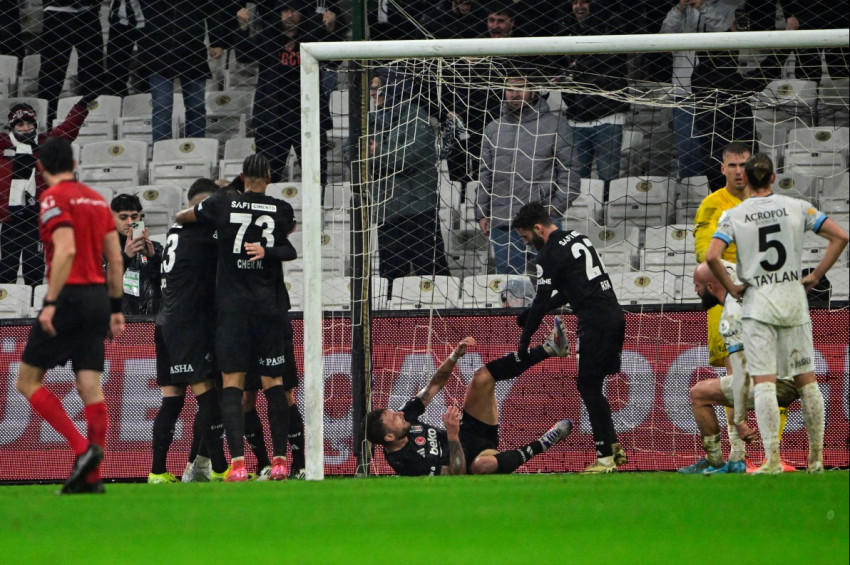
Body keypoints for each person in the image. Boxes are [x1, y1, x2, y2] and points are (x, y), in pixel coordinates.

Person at [707, 153, 849, 474]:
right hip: (793, 300)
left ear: (746, 179)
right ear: (773, 178)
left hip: (758, 304)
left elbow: (712, 256)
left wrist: (731, 287)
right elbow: (841, 236)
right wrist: (815, 276)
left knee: (765, 382)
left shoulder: (733, 214)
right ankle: (816, 460)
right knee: (807, 381)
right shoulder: (798, 207)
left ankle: (772, 459)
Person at [176, 154, 297, 482]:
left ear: (241, 177)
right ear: (270, 177)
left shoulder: (222, 204)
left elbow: (183, 216)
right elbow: (288, 243)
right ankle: (280, 461)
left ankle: (239, 465)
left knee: (232, 382)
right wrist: (267, 251)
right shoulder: (282, 209)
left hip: (232, 308)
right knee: (273, 381)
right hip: (269, 307)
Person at [14, 137, 125, 494]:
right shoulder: (96, 199)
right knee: (90, 386)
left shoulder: (52, 198)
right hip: (98, 300)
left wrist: (50, 302)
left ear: (41, 168)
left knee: (27, 381)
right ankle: (92, 478)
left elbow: (65, 250)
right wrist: (116, 309)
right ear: (74, 164)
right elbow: (116, 259)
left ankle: (81, 449)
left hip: (68, 297)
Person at [512, 201, 627, 473]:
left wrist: (524, 341)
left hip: (595, 321)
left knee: (588, 385)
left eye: (526, 237)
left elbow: (542, 299)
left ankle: (605, 458)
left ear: (538, 229)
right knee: (592, 384)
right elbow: (567, 292)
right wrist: (531, 313)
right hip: (613, 316)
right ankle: (613, 449)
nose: (527, 244)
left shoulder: (549, 254)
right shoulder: (577, 237)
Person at [365, 328, 572, 476]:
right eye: (394, 418)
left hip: (470, 429)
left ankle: (549, 349)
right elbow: (457, 473)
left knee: (482, 377)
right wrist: (452, 435)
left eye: (394, 412)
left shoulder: (405, 418)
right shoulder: (406, 462)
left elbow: (434, 385)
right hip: (472, 457)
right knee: (482, 466)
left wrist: (454, 356)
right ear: (390, 436)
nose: (400, 414)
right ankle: (544, 443)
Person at [679, 262, 801, 474]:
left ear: (710, 286)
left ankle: (714, 461)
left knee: (698, 393)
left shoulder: (731, 314)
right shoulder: (749, 298)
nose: (695, 290)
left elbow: (740, 374)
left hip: (776, 384)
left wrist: (740, 421)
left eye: (697, 285)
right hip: (797, 377)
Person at [148, 179, 229, 484]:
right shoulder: (203, 233)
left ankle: (157, 472)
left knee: (172, 400)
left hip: (165, 323)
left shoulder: (175, 232)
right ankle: (219, 468)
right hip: (188, 324)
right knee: (208, 397)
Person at [477, 76, 579, 275]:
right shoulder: (493, 128)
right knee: (510, 282)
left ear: (534, 91)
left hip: (541, 219)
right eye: (509, 89)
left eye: (521, 88)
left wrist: (554, 209)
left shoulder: (556, 125)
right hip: (503, 221)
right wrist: (482, 212)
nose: (515, 94)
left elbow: (570, 171)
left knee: (550, 277)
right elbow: (485, 173)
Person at [234, 0, 342, 182]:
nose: (289, 16)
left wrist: (330, 31)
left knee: (316, 175)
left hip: (308, 115)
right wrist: (243, 28)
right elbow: (243, 55)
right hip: (272, 116)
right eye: (284, 11)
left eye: (294, 11)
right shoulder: (268, 36)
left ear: (302, 13)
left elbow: (334, 60)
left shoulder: (313, 35)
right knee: (267, 175)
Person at [370, 72, 450, 296]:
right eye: (371, 89)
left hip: (418, 210)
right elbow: (351, 152)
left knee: (433, 277)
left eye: (378, 88)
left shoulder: (417, 117)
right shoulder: (369, 119)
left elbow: (403, 159)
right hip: (387, 211)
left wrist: (376, 152)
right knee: (391, 279)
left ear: (393, 89)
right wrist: (379, 154)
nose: (373, 94)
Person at [1, 97, 92, 285]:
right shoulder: (2, 145)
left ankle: (33, 302)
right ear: (11, 127)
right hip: (10, 220)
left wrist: (82, 105)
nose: (25, 128)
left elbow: (67, 130)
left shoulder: (45, 143)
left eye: (29, 124)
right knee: (6, 271)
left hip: (37, 220)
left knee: (34, 269)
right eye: (20, 124)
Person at [136, 0, 233, 142]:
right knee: (162, 107)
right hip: (157, 52)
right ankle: (161, 150)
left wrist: (217, 41)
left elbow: (214, 9)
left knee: (196, 107)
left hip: (192, 51)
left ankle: (196, 148)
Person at [558, 0, 630, 188]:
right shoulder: (566, 28)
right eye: (575, 2)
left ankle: (606, 208)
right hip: (577, 117)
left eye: (584, 1)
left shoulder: (612, 25)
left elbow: (611, 66)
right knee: (577, 181)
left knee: (608, 179)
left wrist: (577, 69)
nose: (579, 6)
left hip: (608, 116)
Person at [36, 0, 105, 123]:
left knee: (93, 74)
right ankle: (46, 123)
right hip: (56, 12)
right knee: (51, 75)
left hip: (88, 12)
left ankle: (91, 120)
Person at [110, 193, 163, 315]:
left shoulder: (155, 249)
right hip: (119, 321)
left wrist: (154, 258)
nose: (130, 222)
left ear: (140, 217)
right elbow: (102, 289)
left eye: (134, 217)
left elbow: (171, 284)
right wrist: (125, 258)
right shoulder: (103, 252)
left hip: (151, 320)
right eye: (123, 217)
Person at [104, 0, 145, 97]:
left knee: (149, 64)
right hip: (119, 21)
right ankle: (118, 99)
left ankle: (149, 99)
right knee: (116, 67)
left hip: (149, 19)